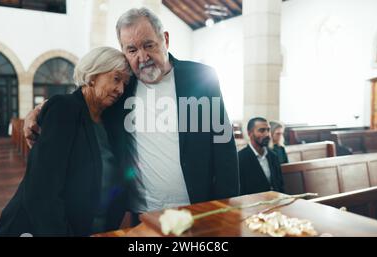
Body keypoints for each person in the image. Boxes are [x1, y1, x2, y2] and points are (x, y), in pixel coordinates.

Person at [23, 8, 239, 224]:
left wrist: (225, 211)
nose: (142, 57)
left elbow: (224, 148)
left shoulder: (201, 77)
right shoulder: (123, 86)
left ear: (164, 39)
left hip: (197, 208)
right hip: (143, 214)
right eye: (132, 50)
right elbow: (83, 100)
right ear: (124, 51)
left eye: (148, 45)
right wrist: (42, 110)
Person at [0, 47, 131, 236]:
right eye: (116, 79)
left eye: (125, 83)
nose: (121, 89)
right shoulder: (64, 109)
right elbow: (42, 190)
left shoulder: (109, 118)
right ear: (92, 75)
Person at [238, 117, 284, 195]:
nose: (267, 134)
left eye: (268, 130)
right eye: (262, 130)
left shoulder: (273, 156)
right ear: (250, 134)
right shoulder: (240, 158)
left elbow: (280, 185)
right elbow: (241, 191)